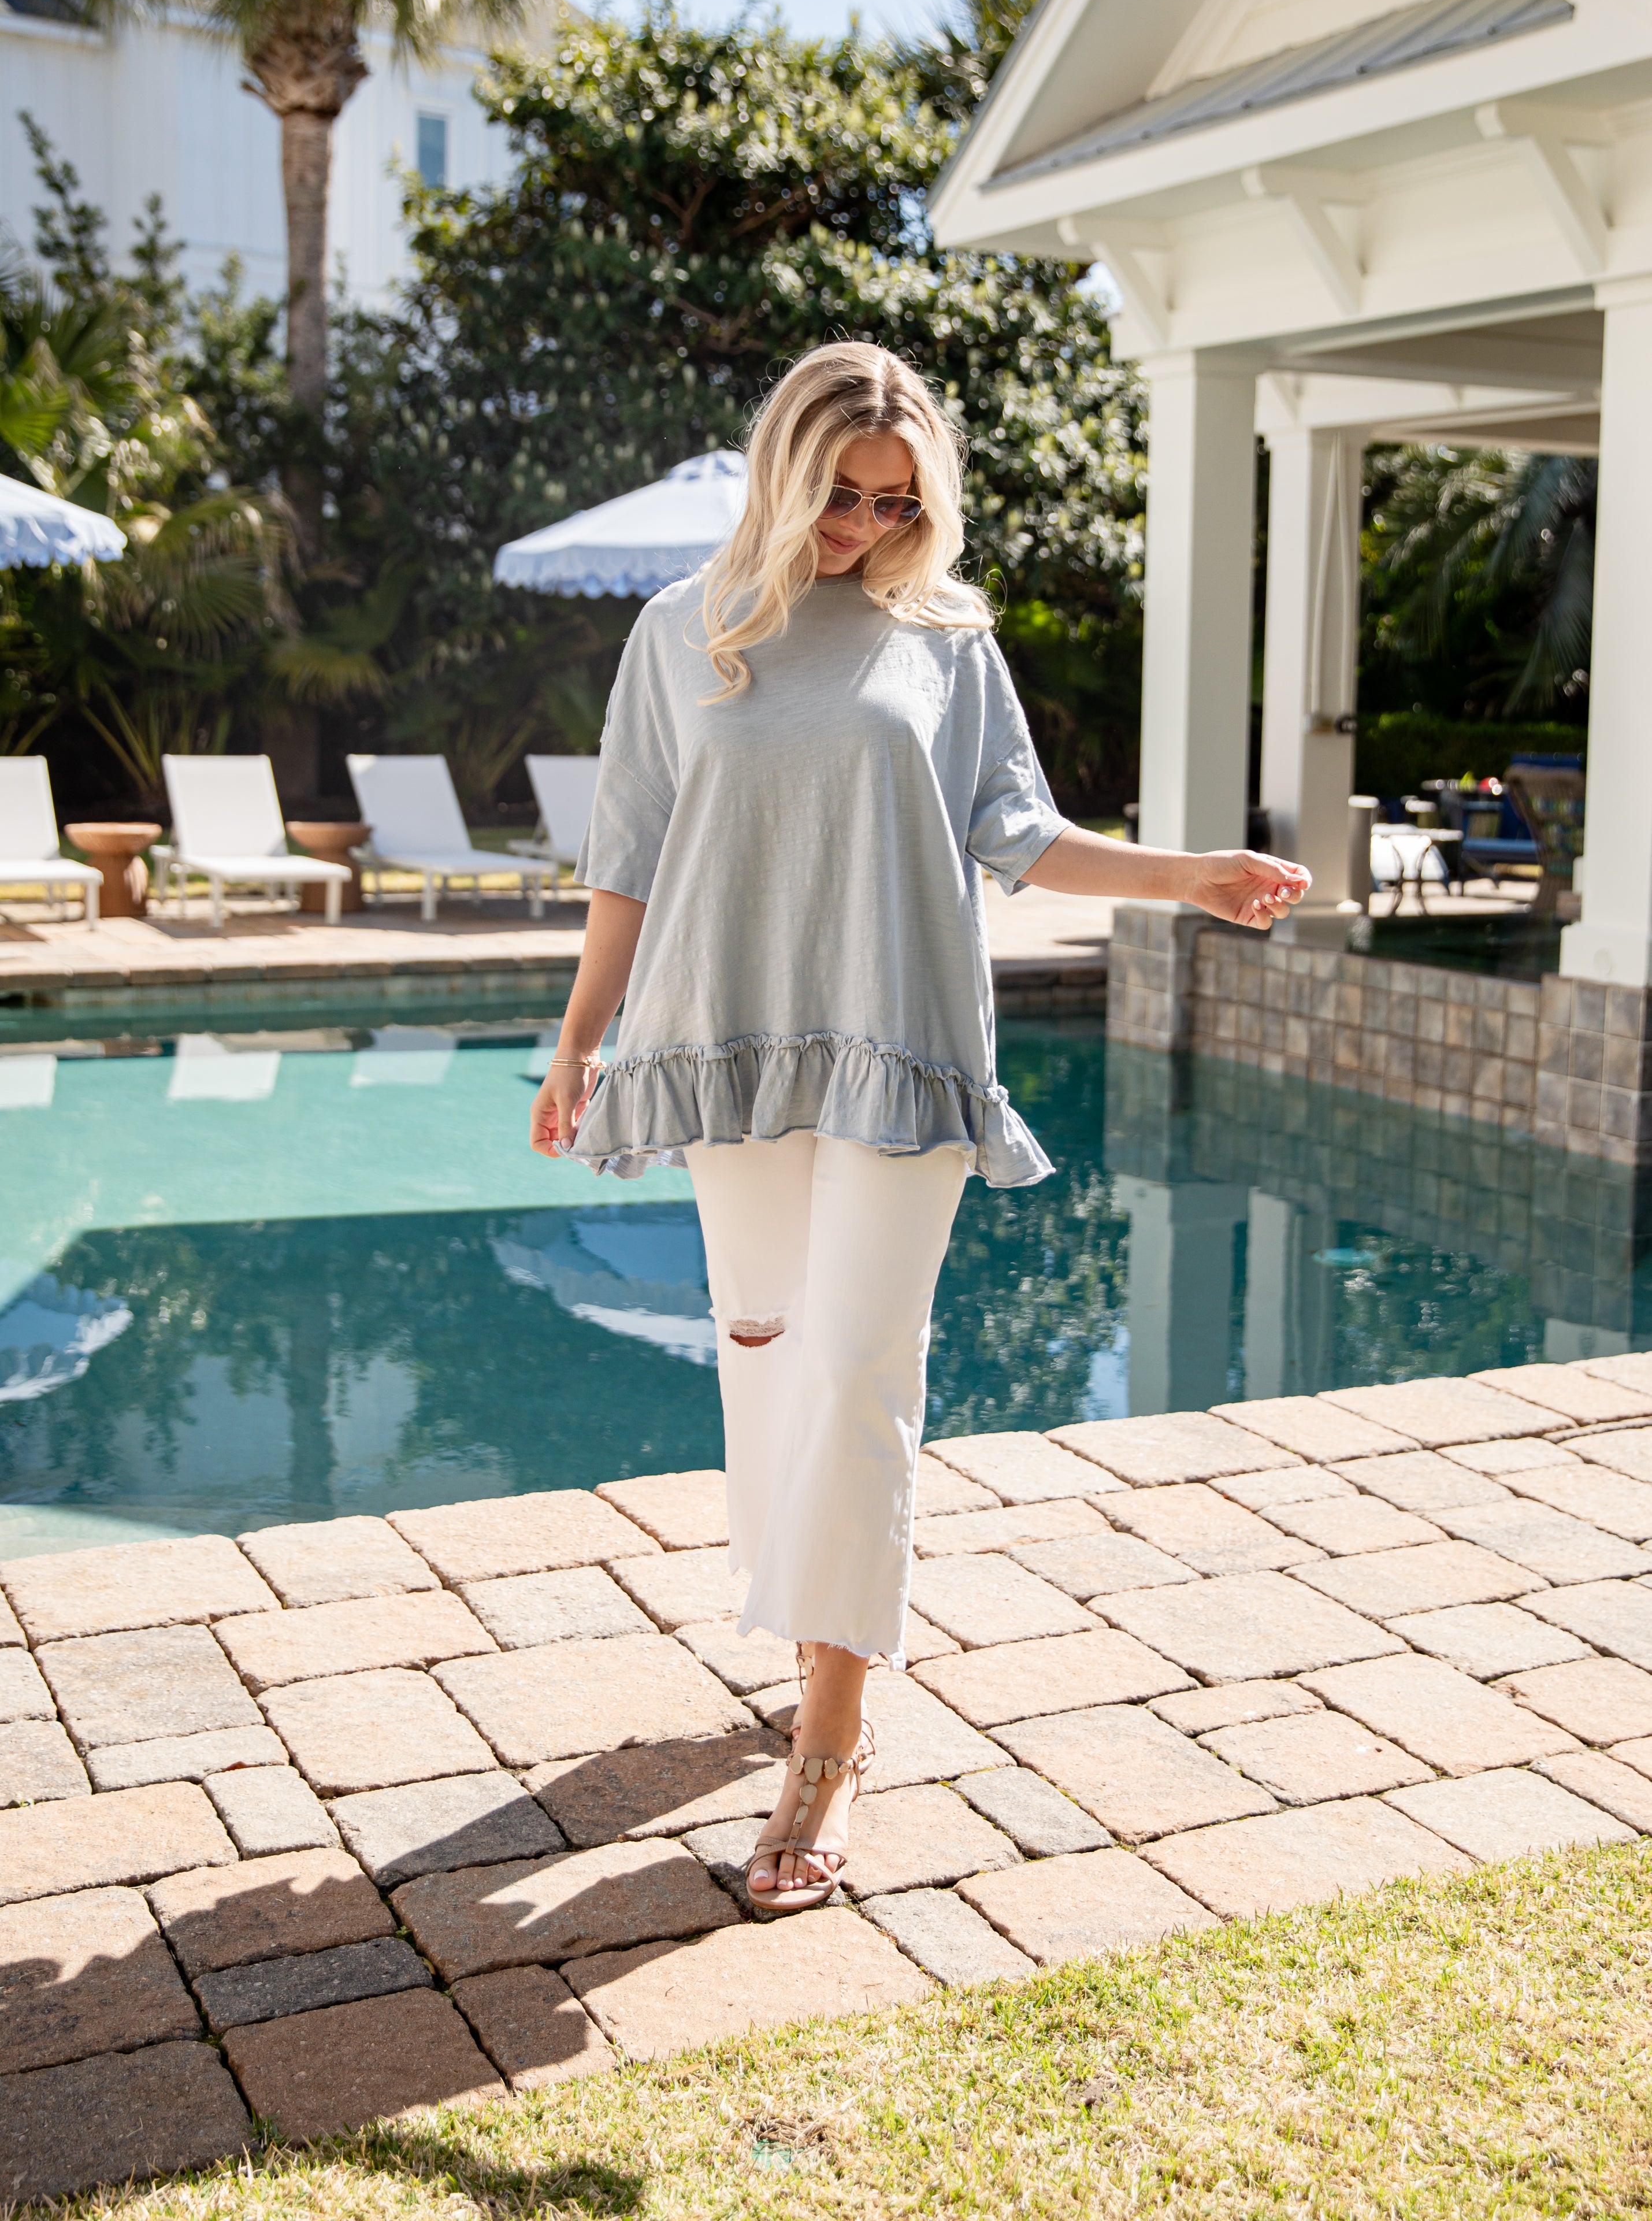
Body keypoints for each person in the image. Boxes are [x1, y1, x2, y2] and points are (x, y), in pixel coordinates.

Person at [530, 342, 1309, 1911]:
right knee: (760, 1343)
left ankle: (829, 1731)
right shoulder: (679, 633)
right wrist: (579, 1045)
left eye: (895, 503)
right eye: (841, 495)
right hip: (723, 1047)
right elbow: (628, 857)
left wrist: (1193, 878)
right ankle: (795, 1608)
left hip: (900, 1046)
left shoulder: (943, 639)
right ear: (781, 468)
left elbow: (1017, 833)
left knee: (863, 1362)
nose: (865, 527)